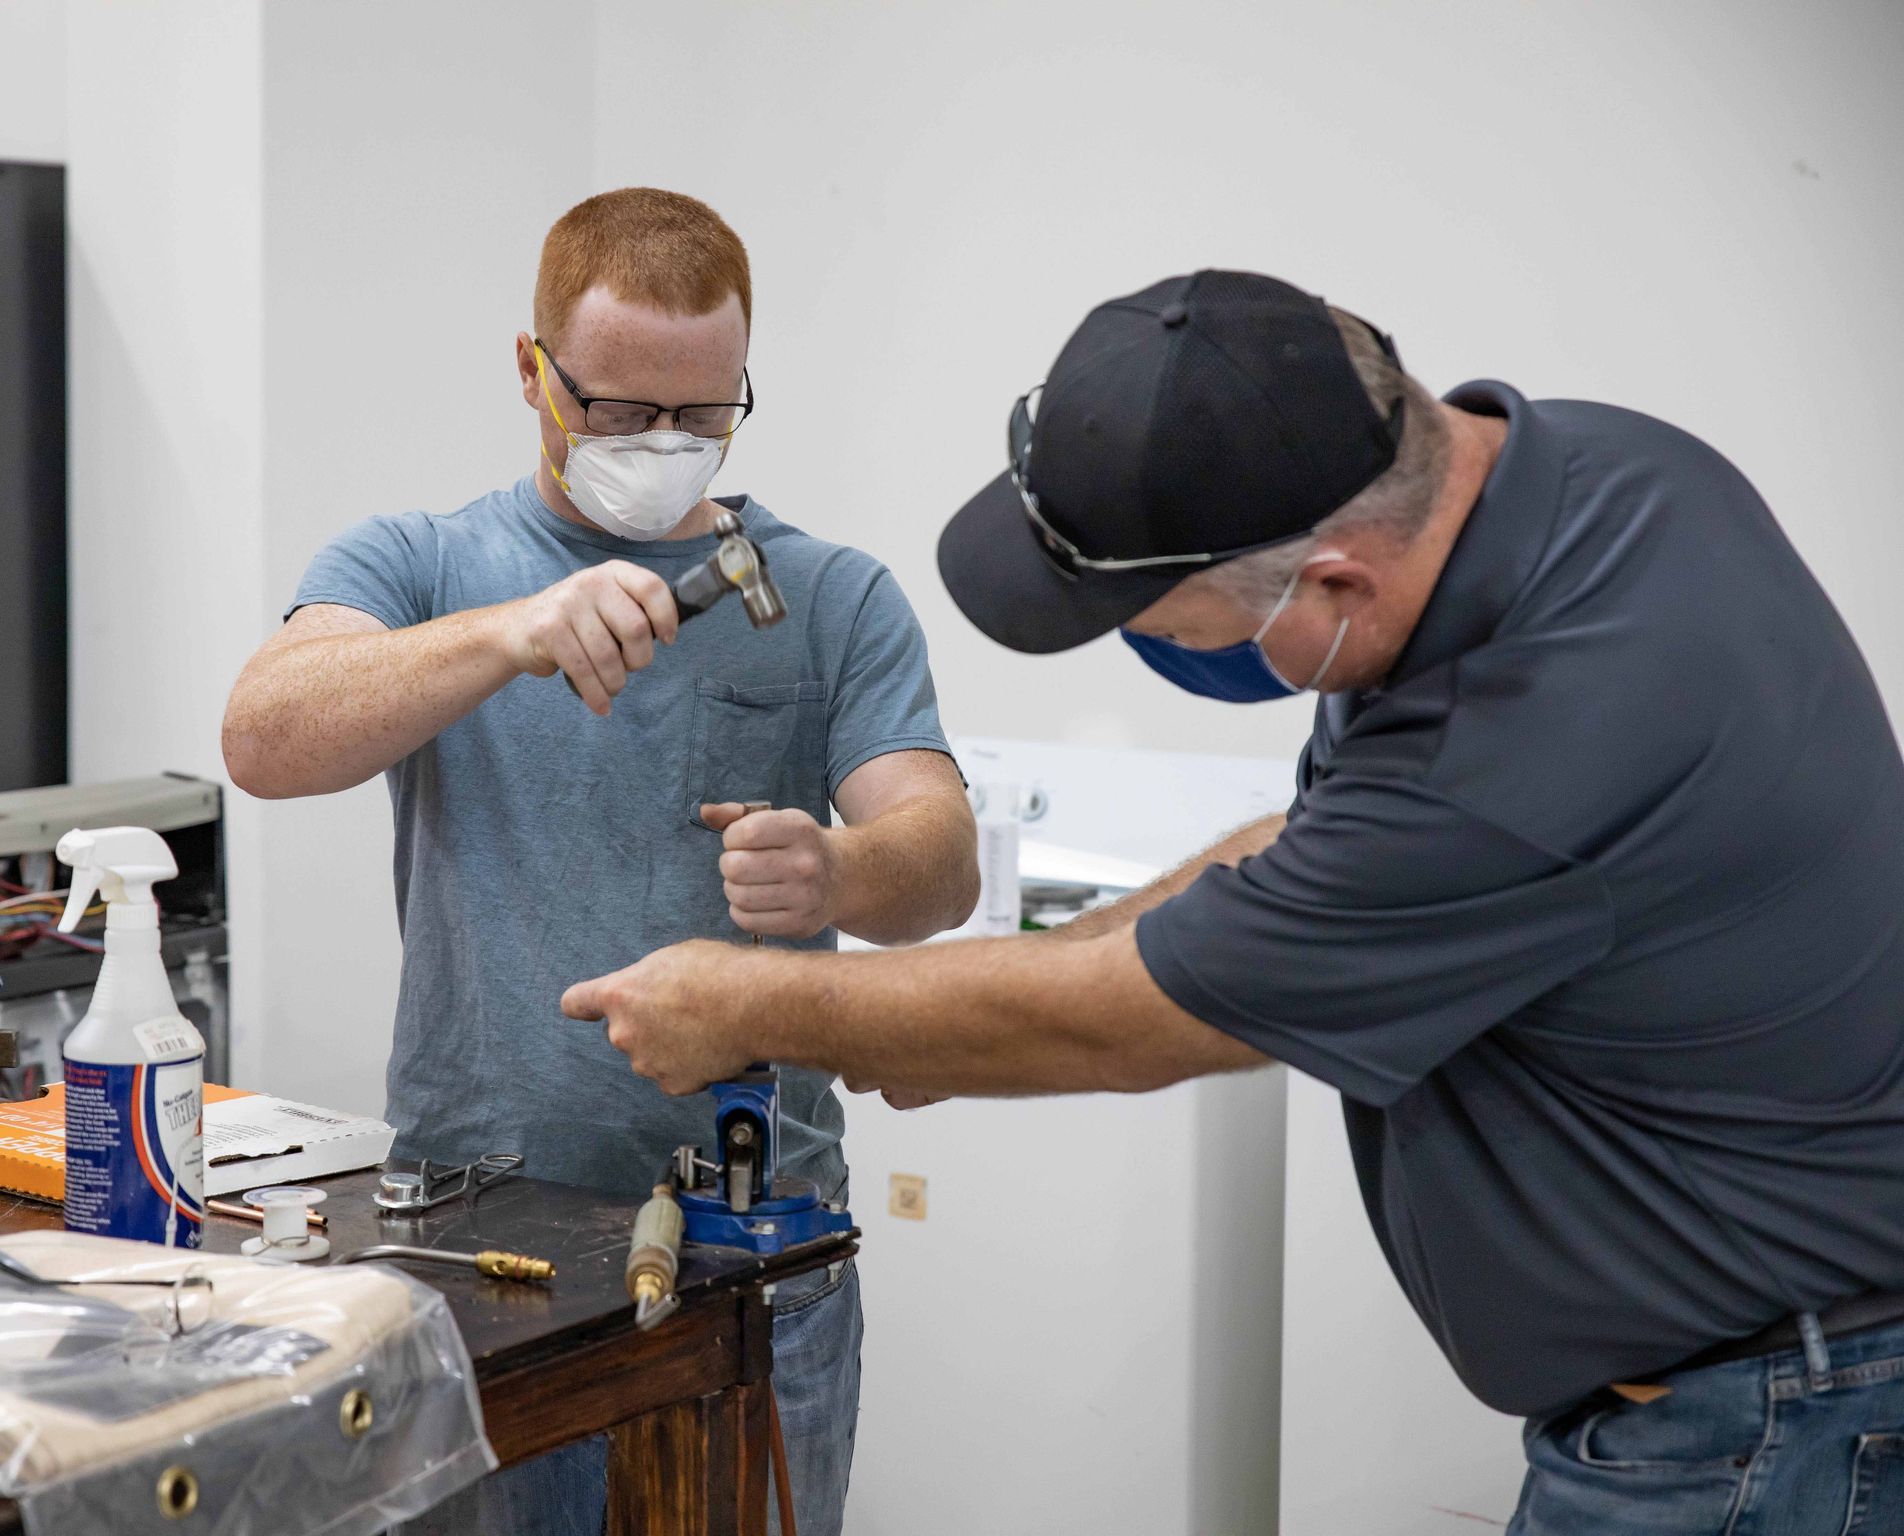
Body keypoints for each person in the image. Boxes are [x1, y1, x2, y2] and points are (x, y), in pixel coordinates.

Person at [562, 270, 1904, 1534]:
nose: (1137, 642)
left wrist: (761, 1006)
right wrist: (930, 1019)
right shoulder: (1594, 476)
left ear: (1331, 583)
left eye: (1147, 612)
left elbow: (1131, 1023)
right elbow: (1317, 847)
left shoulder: (1528, 741)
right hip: (1761, 1381)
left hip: (1765, 1429)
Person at [222, 187, 978, 1536]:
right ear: (534, 372)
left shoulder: (833, 595)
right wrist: (512, 632)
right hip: (480, 1236)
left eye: (708, 413)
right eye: (624, 411)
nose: (668, 446)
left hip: (758, 1241)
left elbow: (941, 859)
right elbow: (266, 738)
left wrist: (844, 874)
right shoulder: (424, 560)